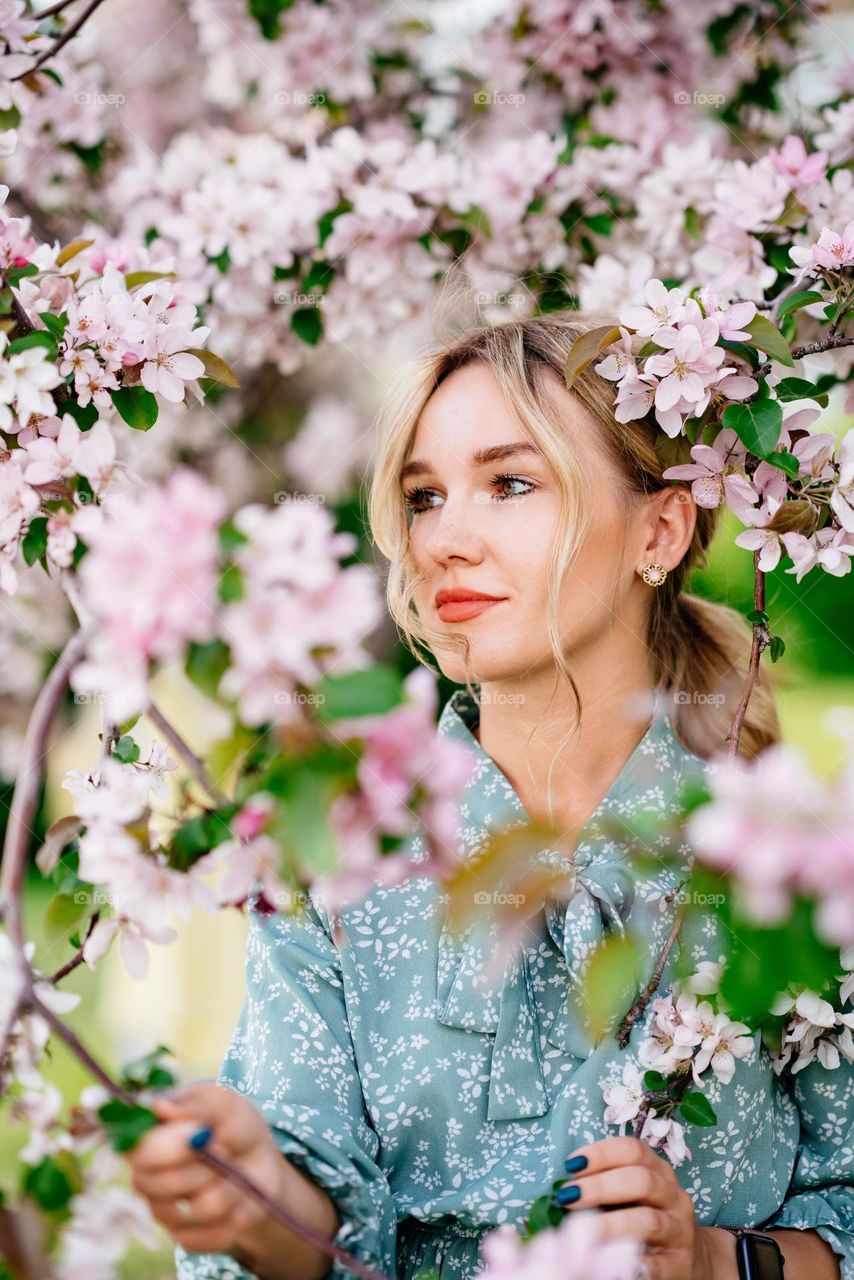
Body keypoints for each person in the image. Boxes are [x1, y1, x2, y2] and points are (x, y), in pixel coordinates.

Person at [125, 312, 852, 1280]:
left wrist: (716, 1260)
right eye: (423, 497)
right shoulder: (340, 857)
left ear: (660, 529)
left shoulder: (789, 867)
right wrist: (253, 1195)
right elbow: (309, 1215)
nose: (444, 541)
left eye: (508, 483)